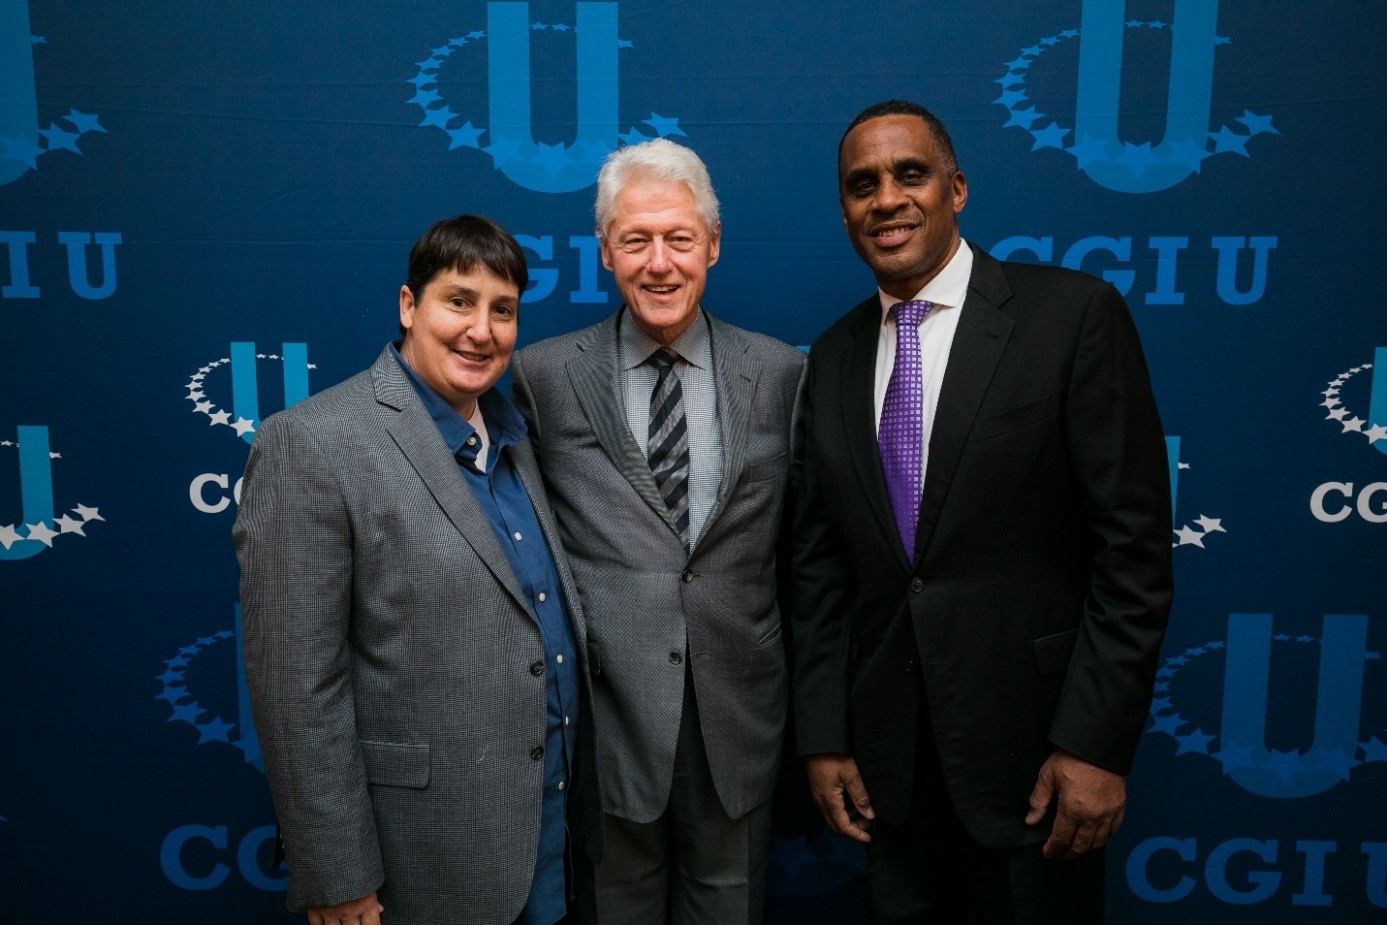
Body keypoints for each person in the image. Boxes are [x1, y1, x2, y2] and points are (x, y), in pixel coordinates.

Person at [792, 100, 1173, 922]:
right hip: (892, 778)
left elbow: (1133, 554)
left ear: (956, 188)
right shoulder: (829, 357)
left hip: (1036, 764)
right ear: (844, 209)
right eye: (862, 185)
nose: (885, 199)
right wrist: (824, 735)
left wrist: (1093, 745)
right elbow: (821, 566)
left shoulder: (1070, 318)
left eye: (910, 174)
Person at [234, 215, 598, 925]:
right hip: (420, 869)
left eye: (503, 310)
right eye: (458, 301)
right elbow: (295, 688)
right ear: (408, 306)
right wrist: (337, 873)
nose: (481, 330)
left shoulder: (516, 439)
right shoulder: (310, 442)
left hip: (547, 856)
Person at [510, 138, 806, 925]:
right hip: (605, 721)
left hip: (737, 718)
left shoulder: (781, 373)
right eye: (635, 240)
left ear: (712, 243)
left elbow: (810, 550)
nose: (659, 262)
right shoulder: (540, 375)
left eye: (678, 238)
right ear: (605, 251)